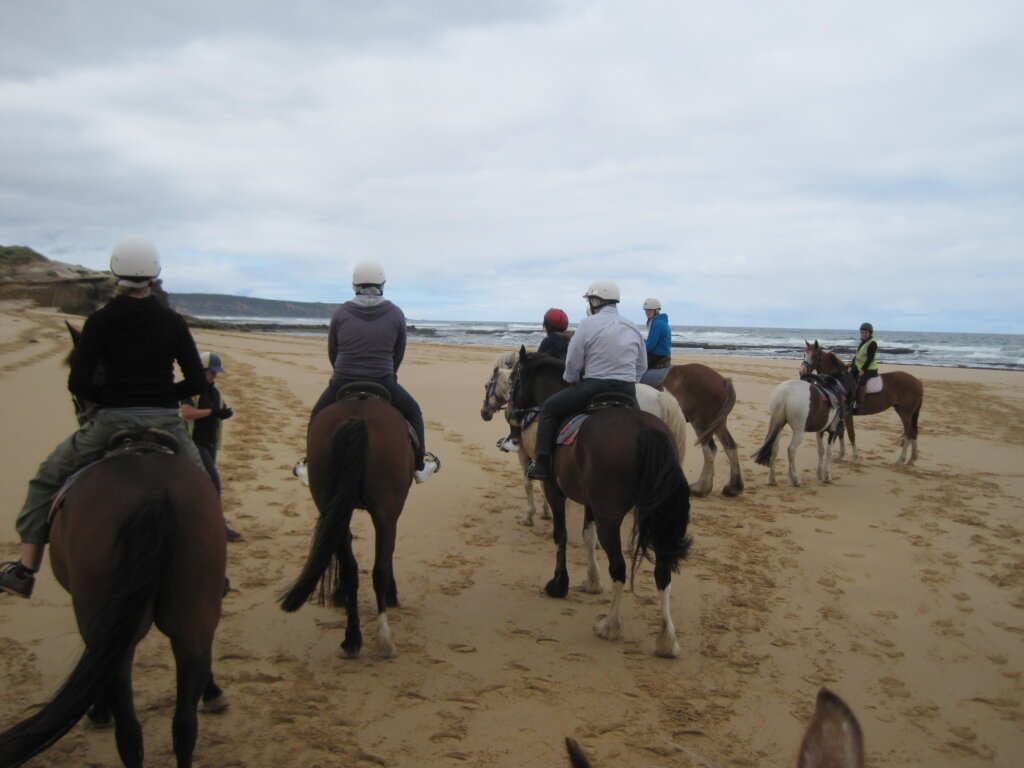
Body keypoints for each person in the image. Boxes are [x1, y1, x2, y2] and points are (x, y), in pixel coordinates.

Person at [0, 237, 207, 599]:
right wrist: (162, 396)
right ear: (154, 275)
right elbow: (195, 380)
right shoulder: (172, 322)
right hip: (167, 421)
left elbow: (78, 382)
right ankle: (211, 572)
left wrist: (112, 399)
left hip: (112, 421)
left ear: (115, 271)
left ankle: (25, 570)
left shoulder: (99, 321)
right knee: (205, 490)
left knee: (46, 480)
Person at [309, 260, 439, 483]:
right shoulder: (396, 313)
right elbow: (398, 353)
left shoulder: (340, 313)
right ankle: (419, 464)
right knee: (414, 412)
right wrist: (389, 374)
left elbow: (333, 351)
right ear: (382, 284)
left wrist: (341, 374)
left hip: (342, 381)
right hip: (383, 381)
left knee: (316, 416)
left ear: (354, 285)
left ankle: (309, 465)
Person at [526, 281, 646, 480]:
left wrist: (572, 379)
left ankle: (542, 465)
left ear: (595, 301)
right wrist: (629, 380)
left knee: (548, 409)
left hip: (594, 387)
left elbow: (573, 360)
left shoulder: (587, 324)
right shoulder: (632, 326)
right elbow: (642, 364)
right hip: (627, 391)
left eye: (590, 300)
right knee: (643, 426)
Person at [180, 351, 242, 542]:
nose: (215, 375)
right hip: (193, 443)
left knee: (197, 485)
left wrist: (224, 413)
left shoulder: (214, 391)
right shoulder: (190, 389)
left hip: (210, 442)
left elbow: (218, 410)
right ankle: (218, 526)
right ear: (202, 370)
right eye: (212, 372)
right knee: (212, 481)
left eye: (216, 372)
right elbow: (186, 413)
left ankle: (194, 522)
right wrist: (213, 412)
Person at [497, 307, 571, 453]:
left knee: (515, 400)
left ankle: (515, 438)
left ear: (546, 326)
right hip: (568, 386)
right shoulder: (570, 341)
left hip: (547, 388)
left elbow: (535, 365)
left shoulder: (547, 341)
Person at [849, 322, 879, 412]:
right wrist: (851, 362)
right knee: (848, 376)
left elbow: (870, 358)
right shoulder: (863, 342)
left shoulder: (872, 343)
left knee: (861, 381)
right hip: (858, 366)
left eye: (866, 332)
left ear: (870, 333)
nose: (864, 334)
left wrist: (863, 370)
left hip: (870, 369)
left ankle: (859, 403)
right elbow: (858, 355)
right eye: (862, 332)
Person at [643, 298, 672, 369]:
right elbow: (651, 342)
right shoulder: (661, 322)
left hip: (657, 355)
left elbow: (649, 347)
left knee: (633, 366)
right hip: (663, 354)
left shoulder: (657, 323)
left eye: (650, 310)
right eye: (646, 310)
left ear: (656, 310)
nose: (647, 312)